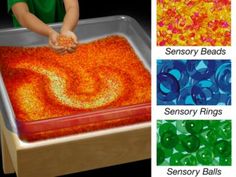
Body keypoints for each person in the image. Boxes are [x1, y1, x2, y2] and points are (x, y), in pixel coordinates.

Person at [8, 0, 79, 53]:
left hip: (58, 39)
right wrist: (50, 32)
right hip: (27, 42)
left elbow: (72, 7)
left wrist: (66, 29)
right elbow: (23, 15)